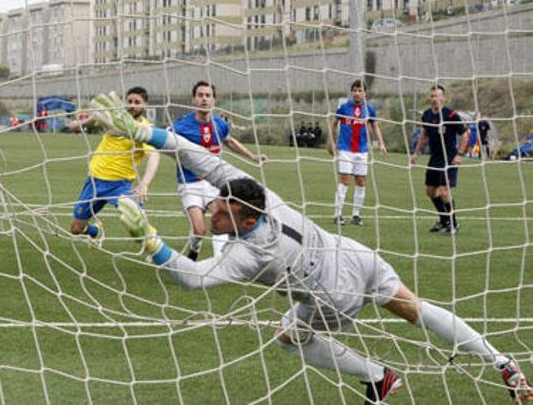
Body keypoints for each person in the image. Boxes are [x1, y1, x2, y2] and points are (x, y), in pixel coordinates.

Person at [88, 91, 533, 405]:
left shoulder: (248, 254)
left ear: (246, 219)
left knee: (289, 338)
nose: (213, 207)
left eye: (220, 210)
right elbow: (190, 151)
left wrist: (152, 242)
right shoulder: (258, 194)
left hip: (329, 296)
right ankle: (504, 362)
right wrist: (141, 131)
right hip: (352, 254)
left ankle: (378, 377)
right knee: (415, 307)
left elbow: (192, 278)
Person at [170, 80, 266, 260]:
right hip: (190, 185)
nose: (204, 99)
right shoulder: (181, 126)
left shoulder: (219, 125)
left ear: (214, 100)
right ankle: (194, 251)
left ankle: (220, 260)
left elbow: (229, 141)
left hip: (213, 184)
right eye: (200, 95)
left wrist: (252, 156)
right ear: (193, 99)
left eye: (208, 95)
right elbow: (164, 140)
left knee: (222, 221)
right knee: (199, 231)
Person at [66, 86, 160, 244]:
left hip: (121, 186)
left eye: (137, 102)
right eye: (129, 101)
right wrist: (78, 125)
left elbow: (154, 155)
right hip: (95, 181)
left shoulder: (144, 130)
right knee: (76, 229)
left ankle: (159, 251)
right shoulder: (115, 118)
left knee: (138, 224)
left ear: (145, 105)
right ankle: (96, 230)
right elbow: (97, 118)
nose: (133, 105)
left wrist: (144, 183)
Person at [410, 85, 469, 235]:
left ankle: (454, 224)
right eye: (432, 96)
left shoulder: (451, 115)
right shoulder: (427, 115)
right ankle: (444, 220)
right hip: (434, 158)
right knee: (431, 192)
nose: (435, 99)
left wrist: (459, 154)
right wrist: (416, 153)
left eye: (437, 96)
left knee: (444, 191)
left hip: (449, 158)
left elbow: (465, 134)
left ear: (444, 98)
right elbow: (424, 135)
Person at [327, 80, 387, 226]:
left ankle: (356, 215)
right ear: (351, 92)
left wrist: (381, 143)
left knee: (361, 182)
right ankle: (338, 214)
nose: (357, 93)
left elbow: (375, 126)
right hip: (345, 150)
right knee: (345, 180)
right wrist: (330, 141)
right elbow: (334, 123)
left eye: (360, 90)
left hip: (362, 151)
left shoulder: (369, 109)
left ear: (364, 93)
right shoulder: (343, 108)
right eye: (354, 90)